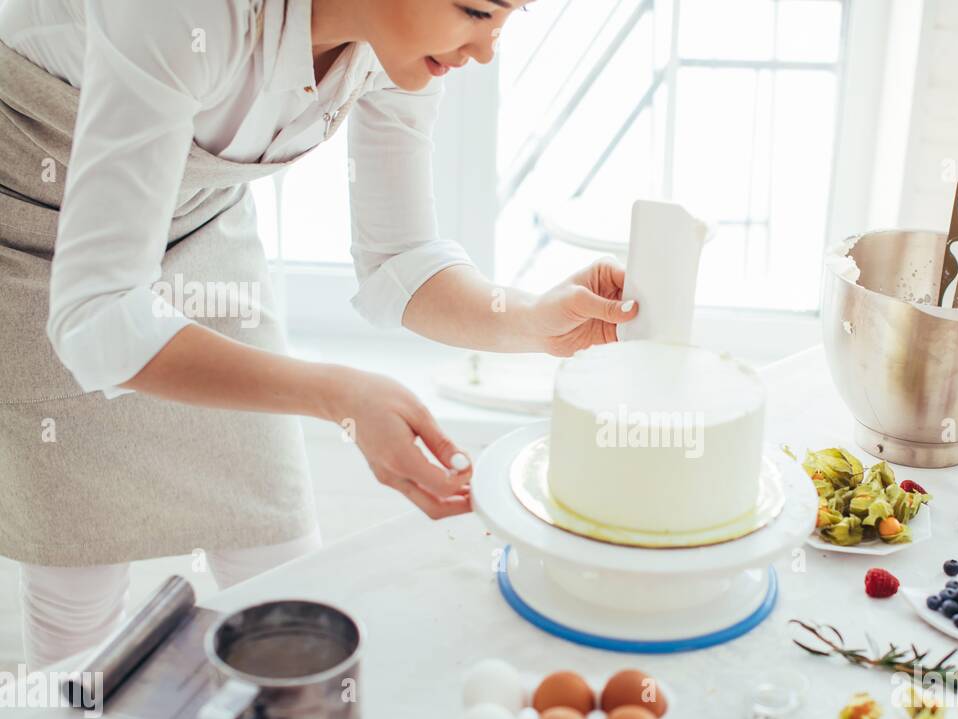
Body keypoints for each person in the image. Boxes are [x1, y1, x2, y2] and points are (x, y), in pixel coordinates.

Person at [0, 0, 637, 668]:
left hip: (197, 224)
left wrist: (534, 322)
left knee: (282, 560)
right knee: (81, 586)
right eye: (476, 11)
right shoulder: (183, 13)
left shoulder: (395, 45)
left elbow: (401, 261)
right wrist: (339, 394)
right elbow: (99, 316)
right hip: (29, 236)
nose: (486, 51)